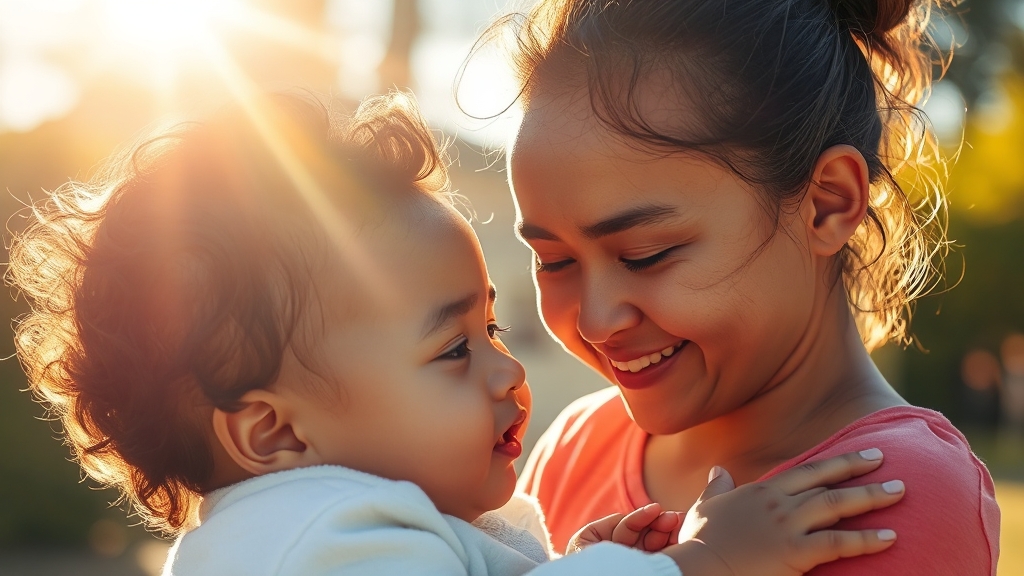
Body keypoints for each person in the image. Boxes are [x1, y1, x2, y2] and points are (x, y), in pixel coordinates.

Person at [9, 92, 905, 576]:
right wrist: (705, 563)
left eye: (492, 325)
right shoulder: (309, 542)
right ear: (274, 432)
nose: (510, 369)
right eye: (452, 349)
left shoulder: (347, 525)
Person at [483, 0, 1002, 574]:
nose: (595, 321)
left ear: (829, 204)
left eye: (645, 255)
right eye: (553, 261)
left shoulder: (889, 487)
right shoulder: (578, 445)